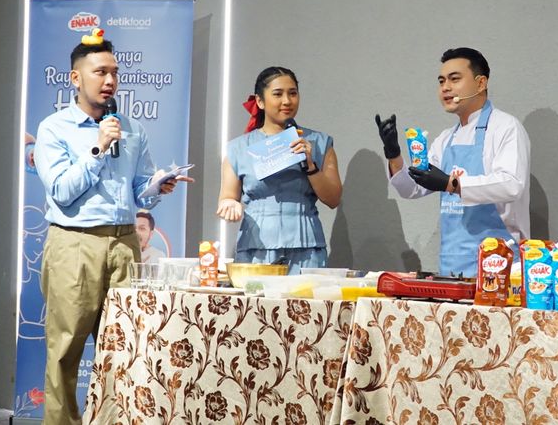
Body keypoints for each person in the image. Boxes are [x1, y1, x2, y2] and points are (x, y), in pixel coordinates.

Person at [33, 32, 192, 425]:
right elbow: (61, 192)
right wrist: (97, 149)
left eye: (115, 73)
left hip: (124, 244)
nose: (110, 81)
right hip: (75, 244)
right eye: (100, 72)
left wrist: (157, 186)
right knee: (65, 350)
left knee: (124, 346)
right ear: (75, 78)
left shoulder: (131, 128)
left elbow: (139, 190)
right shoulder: (55, 128)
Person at [375, 47, 530, 277]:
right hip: (451, 269)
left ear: (481, 83)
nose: (445, 88)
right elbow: (412, 188)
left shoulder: (506, 128)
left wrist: (452, 184)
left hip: (500, 268)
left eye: (454, 79)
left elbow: (511, 184)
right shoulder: (446, 139)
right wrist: (393, 154)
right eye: (441, 81)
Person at [217, 66, 342, 273]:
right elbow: (227, 197)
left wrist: (310, 165)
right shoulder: (238, 148)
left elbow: (333, 198)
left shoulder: (319, 142)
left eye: (292, 93)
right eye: (278, 94)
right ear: (260, 101)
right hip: (257, 247)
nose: (287, 101)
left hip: (307, 247)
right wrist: (230, 204)